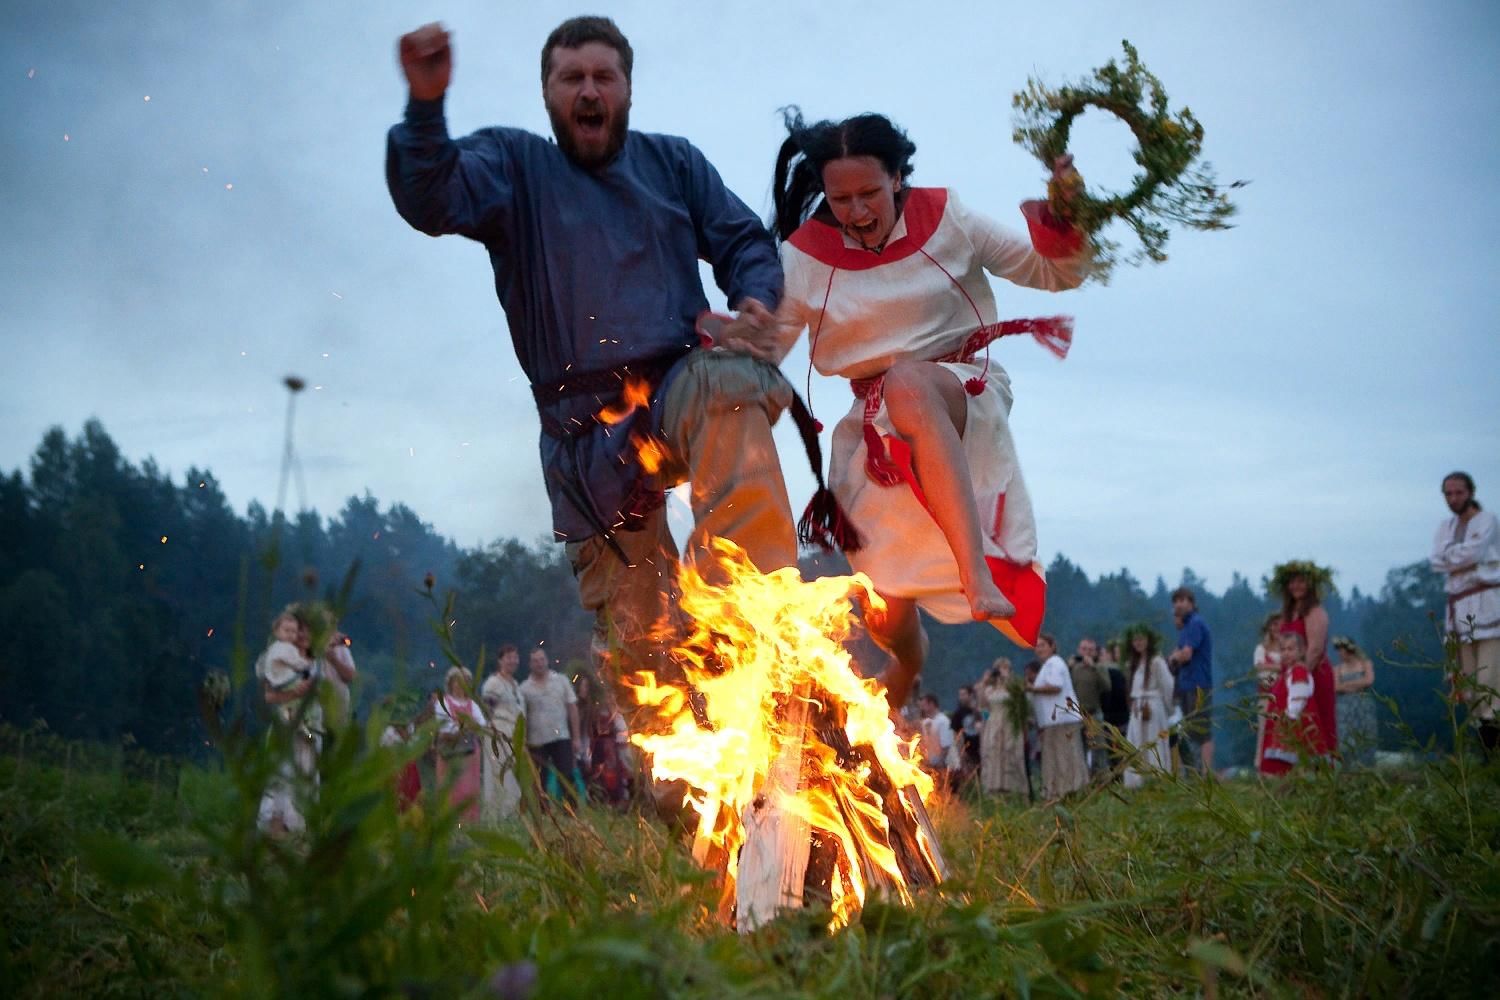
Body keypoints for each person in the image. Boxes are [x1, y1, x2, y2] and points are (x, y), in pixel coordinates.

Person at [387, 16, 798, 688]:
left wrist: (754, 296)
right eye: (571, 77)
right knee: (646, 655)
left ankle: (753, 624)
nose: (588, 90)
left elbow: (743, 241)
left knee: (728, 384)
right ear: (547, 93)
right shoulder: (514, 166)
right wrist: (426, 106)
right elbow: (431, 197)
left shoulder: (674, 163)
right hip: (585, 434)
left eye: (603, 76)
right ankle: (672, 782)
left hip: (676, 385)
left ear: (627, 89)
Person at [767, 110, 1090, 709]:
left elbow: (1053, 273)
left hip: (960, 389)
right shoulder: (804, 258)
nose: (858, 211)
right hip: (870, 431)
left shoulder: (947, 218)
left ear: (897, 178)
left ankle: (975, 572)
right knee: (884, 604)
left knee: (910, 386)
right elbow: (767, 349)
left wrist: (1068, 216)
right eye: (842, 200)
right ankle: (910, 660)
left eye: (870, 193)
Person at [1430, 471, 1500, 753]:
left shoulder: (1487, 521)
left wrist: (1456, 559)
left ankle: (1493, 725)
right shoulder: (1444, 527)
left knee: (1490, 677)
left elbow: (1476, 552)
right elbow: (1436, 560)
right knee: (1467, 681)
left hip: (1488, 605)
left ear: (1470, 492)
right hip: (1459, 608)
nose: (1453, 498)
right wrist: (1462, 561)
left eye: (1458, 492)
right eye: (1448, 493)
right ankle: (1485, 741)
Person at [254, 610, 319, 835]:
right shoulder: (278, 660)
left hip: (311, 724)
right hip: (287, 720)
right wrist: (295, 694)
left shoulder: (313, 662)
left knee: (305, 770)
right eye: (296, 633)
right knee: (283, 771)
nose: (300, 637)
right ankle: (276, 827)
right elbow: (269, 696)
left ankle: (299, 828)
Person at [1270, 561, 1338, 763]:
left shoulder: (1315, 612)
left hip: (1312, 674)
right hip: (1291, 674)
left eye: (1301, 581)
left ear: (1310, 584)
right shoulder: (1288, 613)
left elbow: (1315, 649)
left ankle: (1321, 770)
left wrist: (1300, 677)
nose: (1296, 586)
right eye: (1292, 582)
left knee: (1315, 722)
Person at [1259, 630, 1334, 775]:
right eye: (1283, 649)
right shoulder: (1288, 672)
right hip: (1286, 725)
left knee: (1296, 761)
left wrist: (1291, 715)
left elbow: (1299, 695)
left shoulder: (1299, 671)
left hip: (1297, 725)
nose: (1286, 653)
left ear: (1301, 651)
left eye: (1290, 649)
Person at [1027, 634, 1086, 799]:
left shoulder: (1055, 663)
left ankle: (1069, 789)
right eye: (1037, 646)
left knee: (1064, 755)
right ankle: (1059, 790)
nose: (1039, 649)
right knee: (1056, 756)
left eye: (1043, 645)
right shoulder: (1047, 666)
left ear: (1052, 646)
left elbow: (1055, 687)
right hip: (1053, 721)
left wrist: (1031, 689)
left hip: (1062, 719)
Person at [519, 647, 582, 801]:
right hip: (536, 741)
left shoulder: (561, 681)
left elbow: (572, 708)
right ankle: (543, 812)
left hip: (561, 736)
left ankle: (572, 811)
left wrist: (576, 737)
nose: (539, 664)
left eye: (541, 660)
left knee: (567, 774)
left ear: (547, 661)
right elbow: (523, 717)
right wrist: (523, 742)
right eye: (535, 661)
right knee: (539, 778)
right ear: (530, 664)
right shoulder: (524, 688)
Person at [1166, 587, 1215, 775]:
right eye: (1175, 601)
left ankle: (1206, 774)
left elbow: (1185, 654)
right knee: (1190, 730)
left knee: (1201, 730)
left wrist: (1171, 659)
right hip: (1188, 685)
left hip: (1198, 685)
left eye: (1183, 600)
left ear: (1192, 603)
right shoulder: (1186, 626)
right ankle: (1194, 772)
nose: (1178, 604)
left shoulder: (1195, 623)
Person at [1120, 625, 1174, 788]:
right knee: (1137, 742)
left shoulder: (1156, 661)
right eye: (1135, 640)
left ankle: (1156, 778)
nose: (1138, 643)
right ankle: (1137, 781)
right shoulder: (1133, 663)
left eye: (1141, 639)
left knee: (1153, 742)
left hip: (1153, 706)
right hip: (1137, 707)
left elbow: (1168, 685)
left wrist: (1168, 708)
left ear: (1148, 641)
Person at [434, 666, 487, 823]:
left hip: (470, 753)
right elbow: (444, 727)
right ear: (450, 683)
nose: (460, 684)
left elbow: (482, 725)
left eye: (464, 681)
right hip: (450, 752)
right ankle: (449, 824)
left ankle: (469, 822)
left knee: (469, 788)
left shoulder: (473, 705)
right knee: (450, 787)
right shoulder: (443, 703)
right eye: (457, 681)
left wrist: (466, 727)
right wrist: (465, 727)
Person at [480, 644, 526, 821]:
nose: (512, 661)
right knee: (500, 773)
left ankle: (512, 813)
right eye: (508, 657)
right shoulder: (494, 683)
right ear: (500, 660)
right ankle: (496, 815)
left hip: (515, 736)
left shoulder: (515, 685)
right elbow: (487, 710)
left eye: (515, 657)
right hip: (498, 735)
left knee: (514, 776)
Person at [978, 657, 1026, 795]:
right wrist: (984, 682)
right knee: (993, 753)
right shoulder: (990, 689)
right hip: (994, 723)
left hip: (1009, 722)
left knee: (1010, 752)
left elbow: (1020, 700)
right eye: (1000, 668)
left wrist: (1008, 680)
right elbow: (982, 706)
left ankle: (1014, 788)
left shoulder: (1013, 687)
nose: (1002, 671)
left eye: (1006, 668)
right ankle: (994, 788)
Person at [1331, 636, 1377, 766]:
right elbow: (1336, 687)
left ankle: (1366, 766)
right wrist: (1357, 685)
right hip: (1344, 708)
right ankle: (1346, 766)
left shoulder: (1365, 664)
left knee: (1365, 735)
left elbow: (1368, 680)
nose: (1340, 654)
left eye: (1341, 650)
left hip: (1363, 706)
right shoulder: (1338, 669)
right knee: (1345, 736)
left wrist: (1347, 685)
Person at [1251, 613, 1283, 768]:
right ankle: (1260, 765)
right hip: (1266, 696)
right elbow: (1260, 671)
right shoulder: (1261, 649)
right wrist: (1279, 668)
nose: (1277, 628)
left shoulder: (1287, 648)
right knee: (1264, 730)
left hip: (1283, 696)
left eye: (1280, 624)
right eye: (1274, 624)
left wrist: (1271, 667)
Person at [1070, 639, 1106, 774]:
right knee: (1079, 750)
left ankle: (1101, 779)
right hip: (1077, 714)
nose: (1087, 653)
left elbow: (1106, 686)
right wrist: (1069, 667)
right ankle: (1083, 780)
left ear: (1095, 652)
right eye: (1084, 649)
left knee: (1099, 749)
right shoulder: (1074, 668)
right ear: (1079, 650)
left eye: (1090, 650)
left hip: (1094, 713)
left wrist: (1094, 668)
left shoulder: (1099, 667)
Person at [1097, 638, 1130, 775]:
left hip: (1123, 714)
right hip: (1110, 715)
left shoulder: (1127, 669)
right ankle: (1117, 776)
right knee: (1113, 748)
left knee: (1124, 746)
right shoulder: (1104, 670)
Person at [948, 685, 983, 784]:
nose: (961, 697)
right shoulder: (959, 713)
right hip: (967, 751)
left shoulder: (977, 710)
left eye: (964, 694)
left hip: (980, 750)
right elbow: (956, 734)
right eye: (960, 694)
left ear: (970, 695)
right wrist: (961, 752)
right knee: (969, 778)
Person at [917, 693, 955, 782]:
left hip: (945, 766)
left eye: (924, 705)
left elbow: (946, 746)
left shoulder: (943, 721)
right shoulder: (925, 722)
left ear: (931, 704)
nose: (921, 708)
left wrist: (940, 763)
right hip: (932, 766)